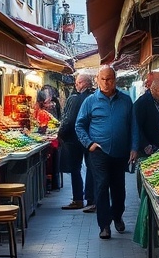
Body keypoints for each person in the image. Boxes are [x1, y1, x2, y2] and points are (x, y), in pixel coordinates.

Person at [76, 65, 138, 239]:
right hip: (99, 152)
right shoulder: (90, 101)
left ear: (115, 80)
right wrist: (89, 144)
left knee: (119, 188)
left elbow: (133, 125)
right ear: (97, 80)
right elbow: (79, 125)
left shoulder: (125, 100)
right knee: (102, 186)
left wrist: (134, 147)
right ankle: (104, 225)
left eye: (109, 79)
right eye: (102, 79)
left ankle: (117, 216)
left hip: (120, 152)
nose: (105, 82)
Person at [58, 72, 96, 211]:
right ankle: (92, 200)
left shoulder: (76, 99)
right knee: (91, 168)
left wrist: (61, 134)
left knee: (75, 169)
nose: (76, 85)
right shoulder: (95, 97)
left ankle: (78, 199)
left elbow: (70, 120)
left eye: (78, 83)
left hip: (75, 139)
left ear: (84, 83)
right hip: (91, 138)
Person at [134, 71, 159, 157]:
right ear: (154, 87)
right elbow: (135, 127)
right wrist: (145, 145)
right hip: (148, 150)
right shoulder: (141, 103)